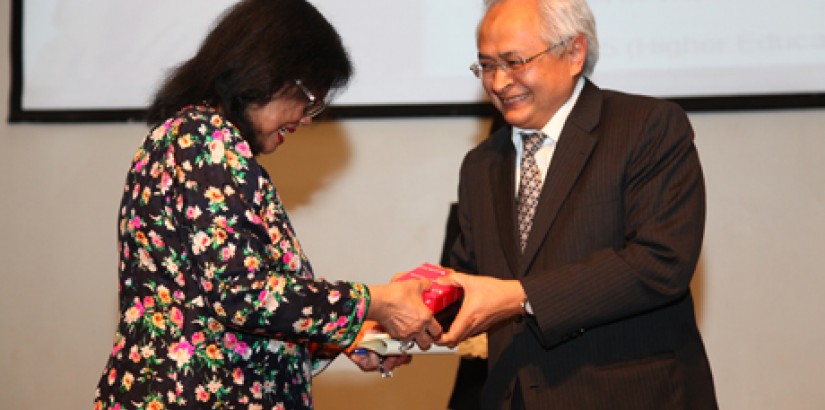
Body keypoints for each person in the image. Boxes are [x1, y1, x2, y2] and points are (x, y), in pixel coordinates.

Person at [93, 1, 441, 409]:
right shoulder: (208, 143)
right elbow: (244, 293)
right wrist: (376, 301)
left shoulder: (195, 139)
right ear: (266, 71)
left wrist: (341, 340)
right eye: (309, 96)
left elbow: (224, 325)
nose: (307, 118)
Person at [436, 0, 718, 408]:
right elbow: (471, 282)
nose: (498, 82)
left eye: (514, 62)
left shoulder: (647, 127)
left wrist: (519, 295)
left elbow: (661, 263)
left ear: (573, 53)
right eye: (486, 66)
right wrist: (399, 321)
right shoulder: (481, 163)